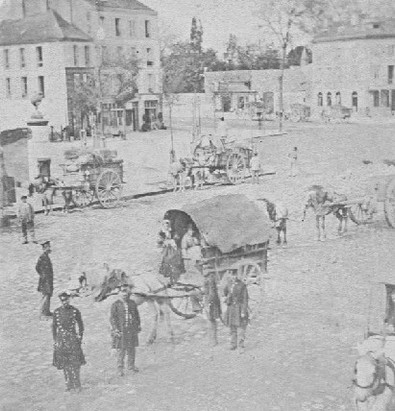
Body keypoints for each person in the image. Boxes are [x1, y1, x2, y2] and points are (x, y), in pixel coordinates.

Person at [53, 291, 85, 392]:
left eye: (66, 300)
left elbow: (81, 325)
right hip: (62, 340)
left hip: (73, 339)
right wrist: (55, 340)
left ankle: (77, 383)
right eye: (62, 301)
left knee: (75, 363)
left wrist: (80, 336)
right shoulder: (57, 312)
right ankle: (69, 383)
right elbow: (54, 327)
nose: (64, 302)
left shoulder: (75, 311)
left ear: (69, 299)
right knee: (65, 363)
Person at [110, 284, 141, 377]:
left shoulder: (132, 303)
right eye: (122, 292)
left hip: (131, 329)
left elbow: (136, 315)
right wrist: (115, 329)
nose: (124, 294)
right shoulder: (115, 305)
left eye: (126, 292)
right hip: (121, 330)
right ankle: (120, 368)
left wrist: (138, 325)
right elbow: (112, 318)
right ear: (119, 293)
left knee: (131, 349)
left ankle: (131, 366)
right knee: (121, 350)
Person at [223, 269, 249, 352]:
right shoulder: (229, 284)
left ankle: (241, 346)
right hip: (231, 308)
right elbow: (225, 292)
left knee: (241, 327)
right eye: (231, 275)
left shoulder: (242, 285)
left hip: (239, 307)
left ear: (237, 275)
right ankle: (233, 344)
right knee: (232, 326)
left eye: (234, 275)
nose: (233, 277)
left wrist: (243, 311)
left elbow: (245, 299)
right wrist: (228, 298)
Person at [157, 220, 185, 284]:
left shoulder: (171, 232)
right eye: (165, 225)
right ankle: (169, 280)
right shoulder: (161, 233)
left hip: (172, 249)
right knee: (168, 263)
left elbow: (175, 239)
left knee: (175, 262)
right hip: (166, 250)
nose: (167, 226)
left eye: (168, 225)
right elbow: (159, 242)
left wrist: (173, 240)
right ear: (163, 225)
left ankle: (174, 279)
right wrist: (165, 242)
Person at [35, 240, 54, 319]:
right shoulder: (42, 257)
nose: (49, 248)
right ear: (44, 248)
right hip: (44, 280)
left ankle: (47, 311)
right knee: (45, 296)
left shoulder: (46, 256)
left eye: (49, 247)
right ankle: (42, 313)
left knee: (48, 295)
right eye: (47, 247)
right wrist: (43, 275)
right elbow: (37, 267)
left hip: (48, 280)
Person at [203, 272, 222, 346]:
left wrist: (208, 302)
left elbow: (212, 292)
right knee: (210, 320)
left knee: (211, 320)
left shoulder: (210, 278)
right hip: (209, 300)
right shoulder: (207, 278)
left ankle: (214, 341)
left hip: (212, 302)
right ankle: (212, 340)